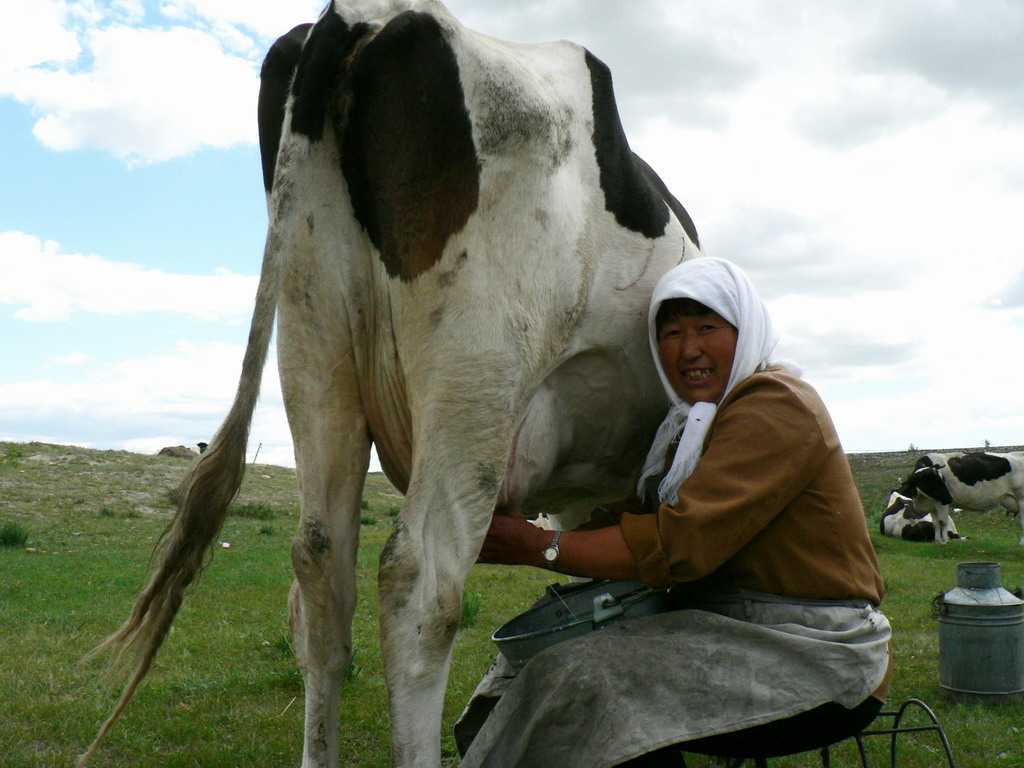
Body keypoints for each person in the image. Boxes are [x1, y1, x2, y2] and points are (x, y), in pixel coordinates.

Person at [456, 257, 891, 768]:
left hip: (815, 650)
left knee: (590, 686)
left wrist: (535, 546)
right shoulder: (689, 427)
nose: (688, 350)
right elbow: (633, 519)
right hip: (728, 629)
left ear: (745, 327)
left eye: (707, 327)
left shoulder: (776, 404)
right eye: (670, 332)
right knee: (523, 673)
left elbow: (674, 543)